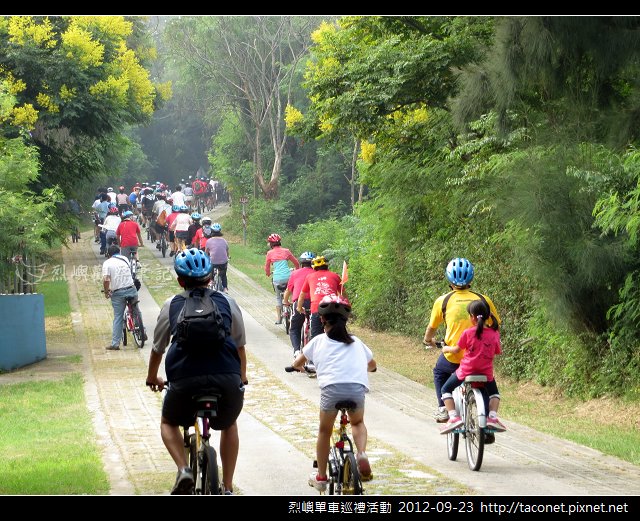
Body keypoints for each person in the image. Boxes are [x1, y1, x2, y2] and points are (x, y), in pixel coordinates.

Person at [145, 248, 247, 495]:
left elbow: (158, 348)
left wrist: (152, 377)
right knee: (229, 423)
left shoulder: (172, 305)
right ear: (210, 277)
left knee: (169, 422)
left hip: (184, 379)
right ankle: (229, 486)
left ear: (180, 280)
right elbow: (240, 346)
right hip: (226, 378)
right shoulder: (226, 301)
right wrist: (241, 377)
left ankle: (183, 470)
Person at [292, 294, 377, 491]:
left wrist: (296, 366)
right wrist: (369, 368)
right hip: (356, 390)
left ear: (322, 319)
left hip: (332, 391)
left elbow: (298, 363)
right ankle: (361, 453)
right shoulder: (357, 342)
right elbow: (372, 365)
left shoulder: (318, 341)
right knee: (357, 422)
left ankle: (321, 476)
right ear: (345, 320)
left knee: (324, 431)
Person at [423, 257, 501, 423]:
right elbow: (496, 326)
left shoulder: (443, 301)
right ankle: (487, 418)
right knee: (487, 383)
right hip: (480, 358)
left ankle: (443, 408)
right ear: (471, 279)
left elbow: (431, 328)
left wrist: (428, 341)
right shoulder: (483, 300)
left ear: (449, 280)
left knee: (439, 372)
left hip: (455, 357)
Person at [439, 299, 506, 434]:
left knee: (445, 389)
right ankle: (492, 418)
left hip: (466, 371)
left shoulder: (468, 333)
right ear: (488, 317)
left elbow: (457, 350)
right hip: (486, 373)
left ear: (472, 317)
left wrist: (445, 349)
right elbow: (498, 351)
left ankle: (453, 417)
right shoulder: (494, 334)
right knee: (494, 394)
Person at [102, 244, 141, 350]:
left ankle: (115, 344)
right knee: (136, 309)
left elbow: (106, 279)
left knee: (118, 317)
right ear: (118, 252)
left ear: (108, 254)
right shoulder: (124, 259)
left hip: (118, 293)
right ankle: (142, 331)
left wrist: (106, 291)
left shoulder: (107, 263)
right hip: (131, 289)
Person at [297, 256, 343, 339]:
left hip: (317, 308)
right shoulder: (335, 276)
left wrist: (299, 307)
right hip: (333, 307)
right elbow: (342, 295)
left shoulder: (310, 277)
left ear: (314, 267)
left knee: (316, 338)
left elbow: (302, 295)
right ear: (327, 266)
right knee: (336, 335)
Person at [283, 251, 315, 358]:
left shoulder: (295, 273)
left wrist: (286, 301)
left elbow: (288, 290)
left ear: (301, 264)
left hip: (299, 303)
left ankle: (296, 351)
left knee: (294, 328)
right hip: (314, 303)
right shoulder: (316, 274)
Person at [264, 233, 299, 324]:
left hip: (277, 278)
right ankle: (293, 313)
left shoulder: (269, 253)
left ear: (271, 244)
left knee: (278, 297)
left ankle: (279, 319)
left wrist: (268, 273)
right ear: (280, 242)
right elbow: (296, 263)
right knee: (290, 293)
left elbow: (267, 268)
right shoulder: (286, 251)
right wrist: (297, 270)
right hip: (288, 277)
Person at [205, 223, 230, 292]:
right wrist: (228, 257)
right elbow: (227, 251)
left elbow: (206, 253)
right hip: (223, 262)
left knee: (210, 271)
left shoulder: (209, 241)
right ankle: (225, 288)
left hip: (213, 261)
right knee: (223, 275)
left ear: (211, 232)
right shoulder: (224, 241)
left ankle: (211, 281)